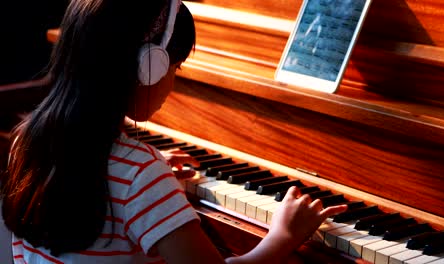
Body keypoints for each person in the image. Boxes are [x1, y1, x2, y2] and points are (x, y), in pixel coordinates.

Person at [0, 0, 348, 263]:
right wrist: (282, 236)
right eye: (176, 67)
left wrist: (142, 178)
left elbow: (102, 174)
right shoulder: (138, 174)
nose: (173, 81)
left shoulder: (28, 138)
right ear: (148, 67)